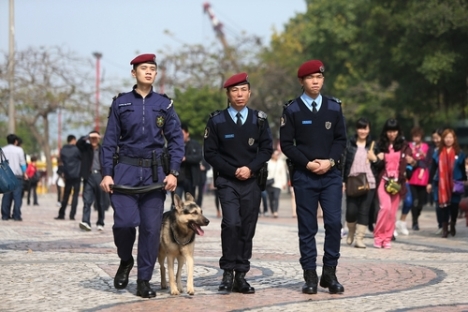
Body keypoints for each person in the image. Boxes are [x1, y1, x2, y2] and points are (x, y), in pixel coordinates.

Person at [100, 53, 184, 298]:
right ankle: (126, 260)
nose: (148, 72)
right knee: (124, 224)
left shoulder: (165, 104)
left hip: (155, 174)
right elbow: (109, 142)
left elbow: (176, 140)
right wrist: (107, 173)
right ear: (133, 73)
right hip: (124, 172)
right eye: (143, 68)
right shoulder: (121, 103)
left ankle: (144, 280)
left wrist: (173, 172)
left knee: (150, 228)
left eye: (152, 69)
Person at [280, 60, 347, 295]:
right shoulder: (292, 109)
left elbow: (341, 140)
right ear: (301, 81)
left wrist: (330, 161)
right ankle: (310, 274)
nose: (315, 81)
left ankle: (330, 272)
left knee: (333, 223)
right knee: (307, 227)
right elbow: (287, 144)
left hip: (330, 175)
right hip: (304, 175)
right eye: (310, 78)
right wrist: (307, 163)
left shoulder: (334, 107)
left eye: (319, 77)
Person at [204, 72, 273, 294]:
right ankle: (227, 272)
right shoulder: (217, 121)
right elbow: (210, 153)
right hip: (227, 181)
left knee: (247, 227)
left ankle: (241, 275)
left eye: (243, 90)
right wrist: (233, 170)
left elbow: (266, 149)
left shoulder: (259, 120)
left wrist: (250, 168)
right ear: (228, 94)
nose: (240, 94)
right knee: (231, 223)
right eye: (235, 90)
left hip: (251, 181)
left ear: (250, 93)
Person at [370, 118, 412, 249]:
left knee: (392, 212)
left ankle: (387, 238)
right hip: (384, 180)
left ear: (398, 131)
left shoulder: (404, 146)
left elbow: (410, 160)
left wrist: (411, 160)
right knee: (385, 208)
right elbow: (374, 163)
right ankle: (378, 236)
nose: (392, 134)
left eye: (394, 131)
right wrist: (378, 158)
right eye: (389, 131)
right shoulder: (380, 145)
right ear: (386, 132)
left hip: (397, 183)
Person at [342, 118, 378, 248]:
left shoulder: (374, 145)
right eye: (360, 128)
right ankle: (351, 230)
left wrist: (374, 159)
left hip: (369, 183)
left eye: (365, 128)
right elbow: (344, 163)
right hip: (352, 182)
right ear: (357, 129)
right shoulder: (349, 144)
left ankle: (359, 239)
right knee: (351, 211)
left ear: (369, 130)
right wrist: (343, 181)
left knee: (364, 210)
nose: (363, 131)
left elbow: (380, 165)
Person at [427, 128, 466, 238]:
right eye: (446, 137)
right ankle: (444, 228)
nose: (448, 140)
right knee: (443, 207)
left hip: (455, 184)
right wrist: (429, 183)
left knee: (454, 206)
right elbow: (433, 169)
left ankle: (452, 223)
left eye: (450, 137)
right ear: (443, 139)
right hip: (442, 184)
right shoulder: (438, 153)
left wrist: (465, 180)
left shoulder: (460, 153)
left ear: (454, 139)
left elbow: (463, 169)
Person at [396, 127, 431, 234]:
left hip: (414, 177)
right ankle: (393, 226)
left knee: (413, 202)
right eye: (414, 136)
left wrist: (414, 159)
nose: (416, 138)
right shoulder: (408, 146)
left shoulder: (424, 146)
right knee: (398, 202)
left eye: (418, 136)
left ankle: (401, 222)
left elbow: (423, 159)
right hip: (403, 177)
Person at [77, 131, 109, 231]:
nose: (94, 140)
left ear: (99, 139)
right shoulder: (85, 149)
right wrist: (87, 136)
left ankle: (100, 222)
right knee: (87, 200)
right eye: (92, 138)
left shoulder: (102, 149)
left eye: (96, 138)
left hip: (100, 175)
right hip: (88, 176)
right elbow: (78, 143)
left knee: (100, 202)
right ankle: (86, 222)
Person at [54, 135, 81, 220]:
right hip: (77, 175)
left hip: (67, 175)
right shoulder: (77, 150)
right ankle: (72, 215)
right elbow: (81, 158)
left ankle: (61, 213)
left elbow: (61, 161)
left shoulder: (63, 150)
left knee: (66, 195)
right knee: (75, 195)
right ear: (73, 140)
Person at [1, 134, 27, 221]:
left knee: (6, 195)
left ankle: (5, 215)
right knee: (17, 196)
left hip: (6, 176)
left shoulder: (3, 150)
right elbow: (22, 163)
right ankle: (16, 215)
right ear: (15, 141)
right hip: (17, 176)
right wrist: (25, 173)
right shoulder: (19, 150)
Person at [175, 123, 202, 199]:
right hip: (179, 179)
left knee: (190, 202)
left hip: (191, 178)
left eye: (182, 134)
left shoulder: (195, 144)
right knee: (176, 201)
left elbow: (199, 157)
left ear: (187, 133)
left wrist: (186, 158)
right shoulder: (176, 145)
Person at [266, 150, 288, 218]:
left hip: (278, 183)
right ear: (272, 155)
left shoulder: (280, 163)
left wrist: (284, 183)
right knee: (270, 198)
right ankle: (272, 210)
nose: (276, 156)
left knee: (276, 197)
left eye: (278, 154)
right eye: (275, 154)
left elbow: (283, 173)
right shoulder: (268, 163)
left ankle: (275, 211)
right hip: (269, 183)